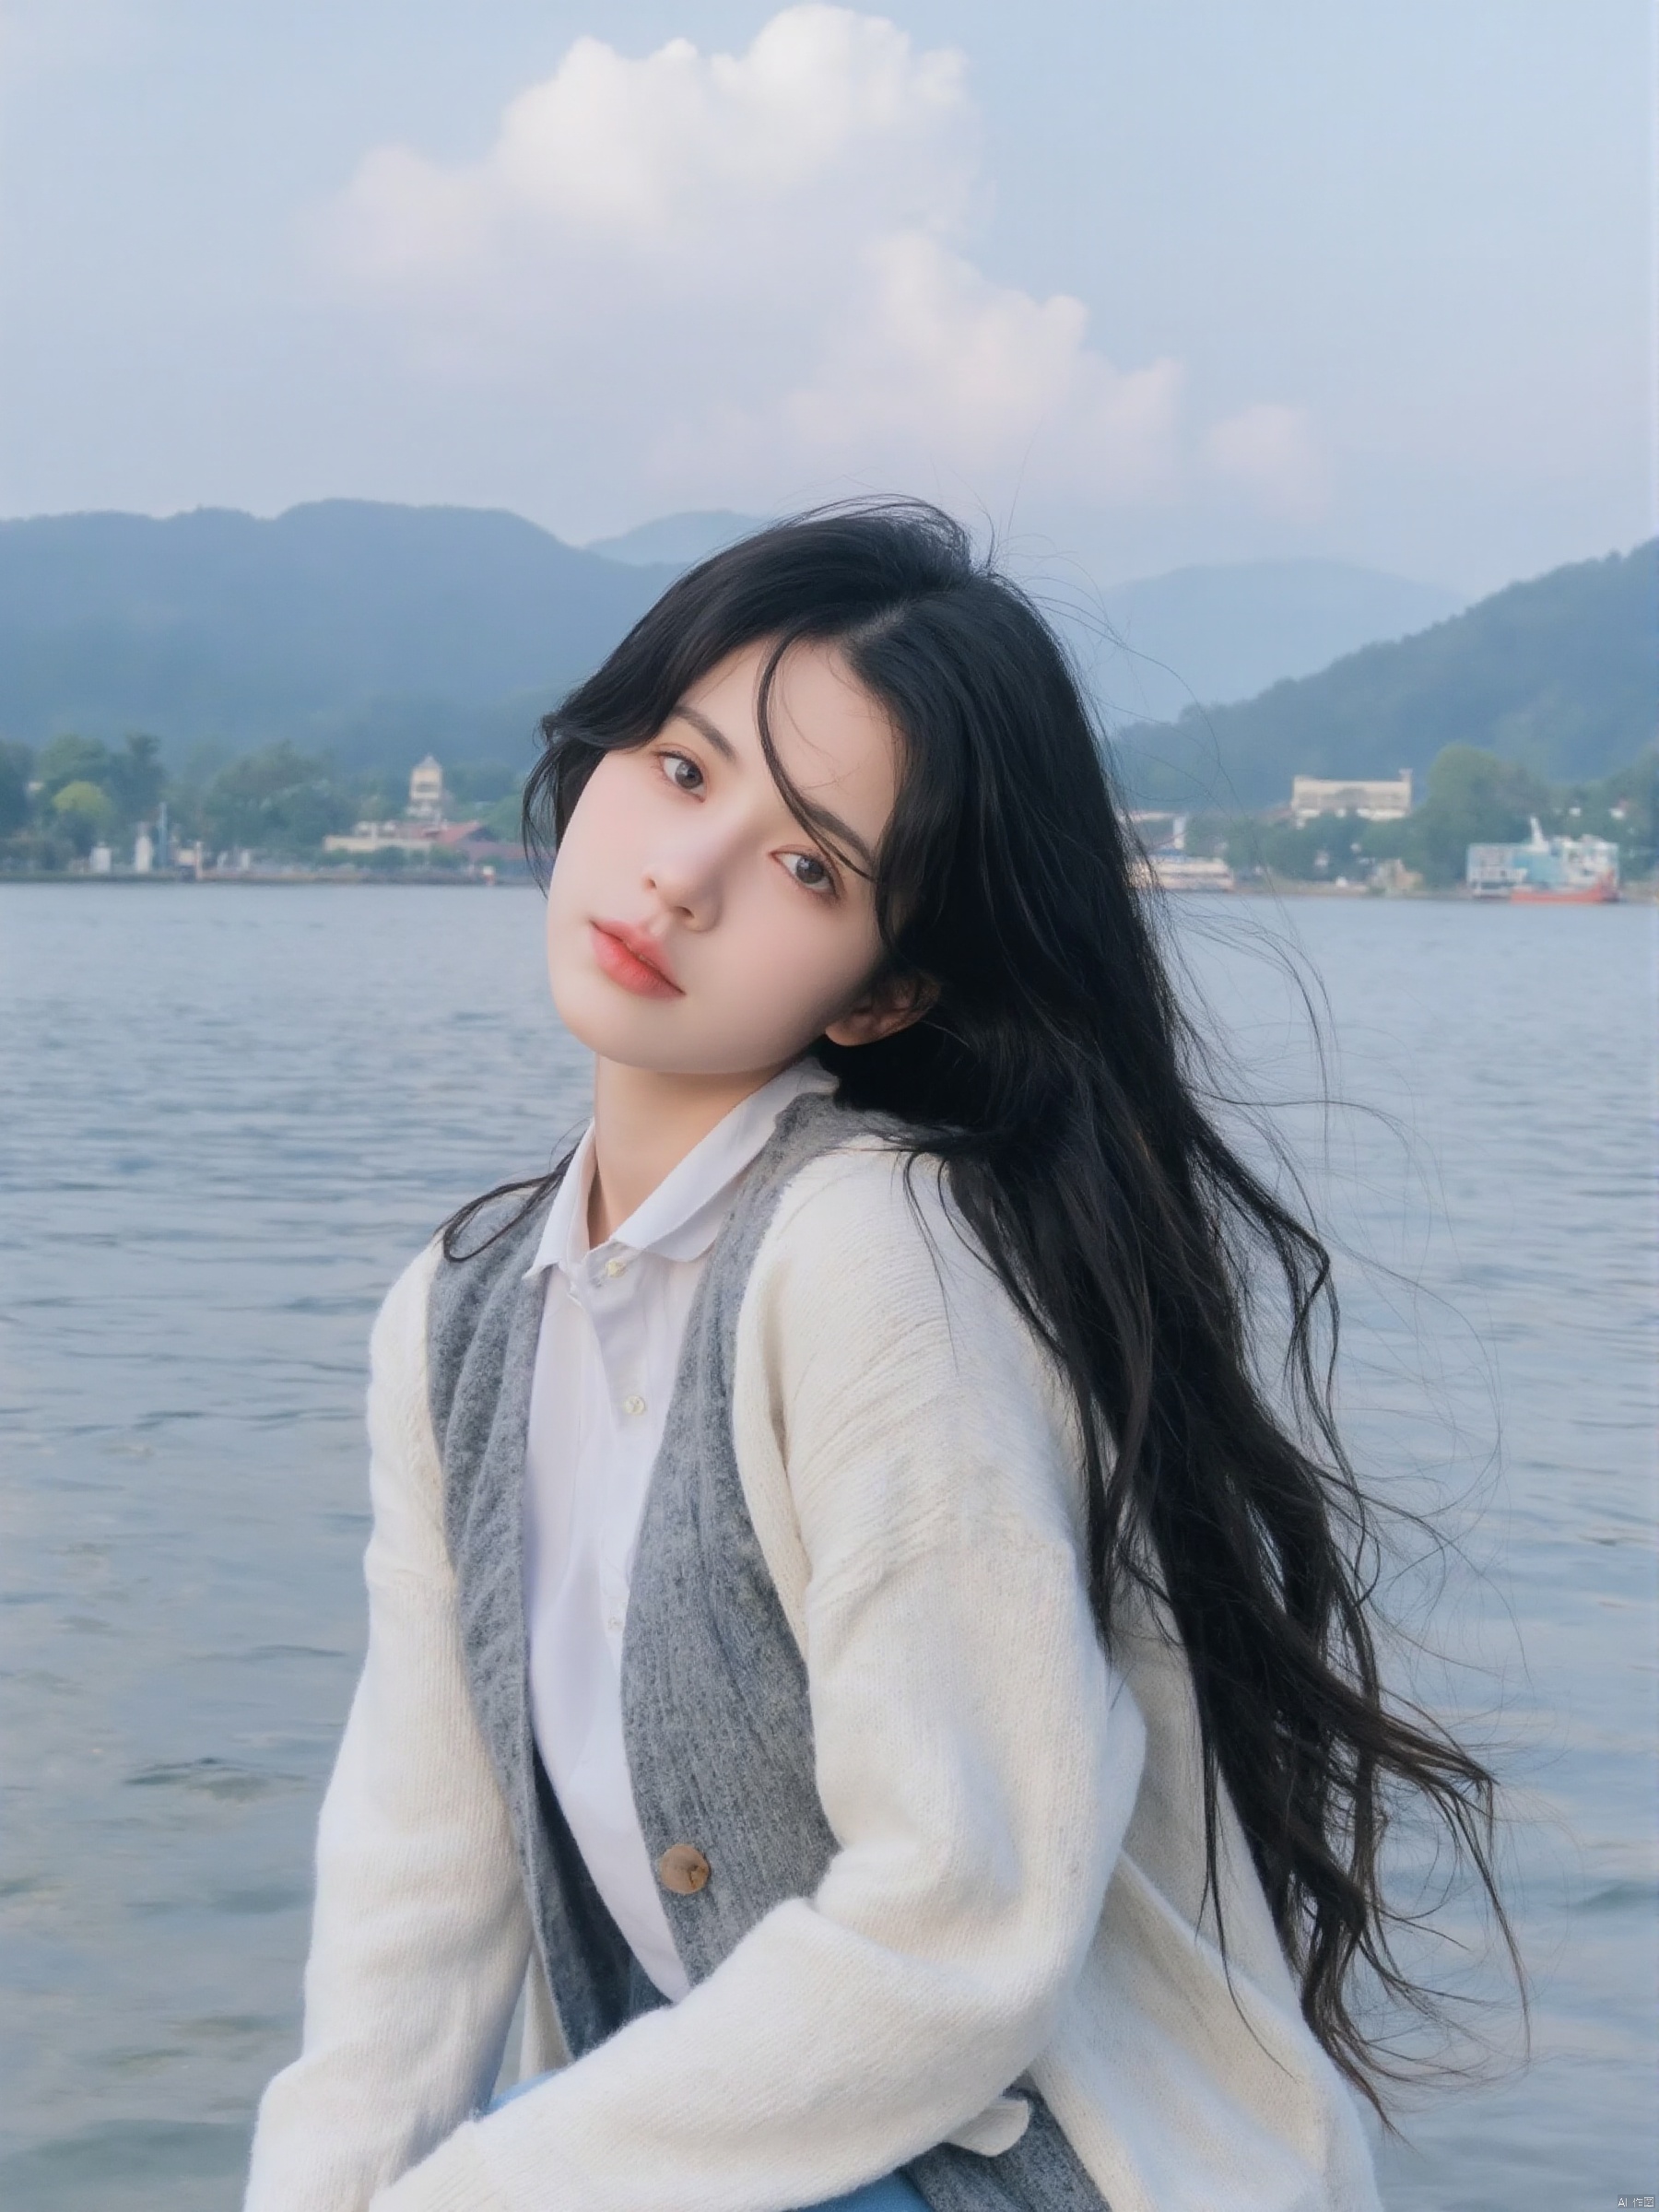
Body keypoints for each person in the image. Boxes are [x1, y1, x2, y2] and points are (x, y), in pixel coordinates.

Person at [244, 505, 1507, 2212]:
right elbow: (418, 1892)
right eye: (682, 770)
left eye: (808, 867)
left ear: (883, 993)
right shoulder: (458, 1319)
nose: (681, 879)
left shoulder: (873, 1255)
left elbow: (957, 1921)